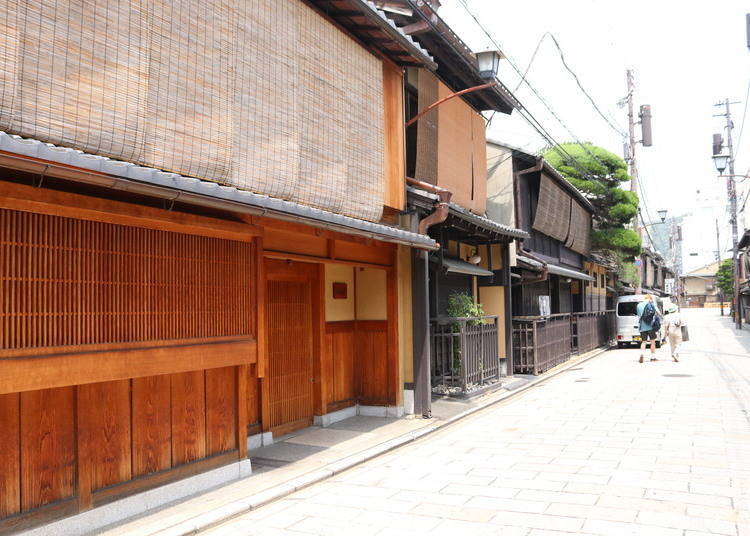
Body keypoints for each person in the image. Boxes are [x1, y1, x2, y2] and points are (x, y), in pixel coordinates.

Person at [636, 295, 659, 363]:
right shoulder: (650, 304)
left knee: (644, 342)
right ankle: (653, 357)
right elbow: (656, 313)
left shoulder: (638, 305)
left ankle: (642, 354)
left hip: (642, 326)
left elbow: (639, 315)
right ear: (650, 298)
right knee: (652, 342)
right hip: (651, 326)